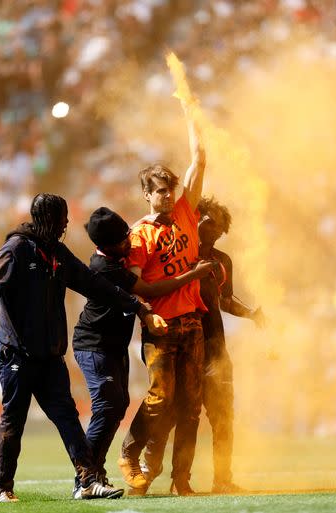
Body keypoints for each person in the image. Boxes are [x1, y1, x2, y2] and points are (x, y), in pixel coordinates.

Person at [0, 193, 159, 502]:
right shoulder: (16, 250)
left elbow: (93, 283)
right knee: (14, 419)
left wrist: (135, 305)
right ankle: (4, 487)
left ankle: (87, 481)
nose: (66, 224)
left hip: (50, 355)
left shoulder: (56, 253)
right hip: (17, 353)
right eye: (61, 219)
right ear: (47, 221)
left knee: (68, 418)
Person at [72, 207, 216, 488]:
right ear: (106, 246)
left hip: (114, 345)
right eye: (123, 240)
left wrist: (150, 219)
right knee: (108, 405)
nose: (130, 242)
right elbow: (147, 291)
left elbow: (136, 236)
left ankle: (96, 471)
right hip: (93, 343)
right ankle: (86, 474)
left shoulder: (118, 254)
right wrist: (192, 275)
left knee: (120, 404)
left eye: (128, 234)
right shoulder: (106, 268)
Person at [142, 197, 264, 493]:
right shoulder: (176, 255)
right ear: (196, 220)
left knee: (222, 415)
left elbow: (224, 299)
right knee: (175, 413)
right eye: (209, 223)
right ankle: (157, 476)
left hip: (214, 349)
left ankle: (221, 479)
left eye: (219, 228)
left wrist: (250, 313)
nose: (214, 231)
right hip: (179, 345)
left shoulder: (222, 262)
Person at [117, 95, 208, 495]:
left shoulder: (187, 211)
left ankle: (181, 480)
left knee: (192, 407)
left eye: (171, 189)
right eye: (160, 191)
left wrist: (191, 115)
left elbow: (200, 159)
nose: (168, 196)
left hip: (192, 321)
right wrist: (144, 313)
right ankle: (129, 455)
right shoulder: (140, 234)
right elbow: (134, 284)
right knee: (159, 399)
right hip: (160, 325)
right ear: (146, 194)